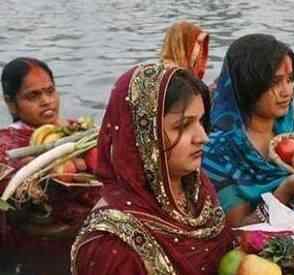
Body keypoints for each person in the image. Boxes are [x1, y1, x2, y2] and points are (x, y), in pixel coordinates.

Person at [72, 64, 232, 275]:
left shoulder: (197, 191)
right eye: (183, 126)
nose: (202, 137)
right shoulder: (112, 245)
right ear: (142, 138)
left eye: (201, 122)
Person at [202, 34, 294, 227]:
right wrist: (284, 192)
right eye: (275, 82)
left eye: (290, 79)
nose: (287, 91)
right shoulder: (217, 150)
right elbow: (238, 231)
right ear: (246, 85)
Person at [0, 57, 100, 275]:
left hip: (87, 244)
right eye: (33, 96)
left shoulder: (79, 131)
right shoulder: (5, 146)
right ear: (10, 102)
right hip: (34, 256)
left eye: (50, 91)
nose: (47, 101)